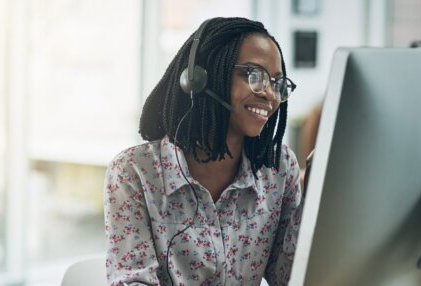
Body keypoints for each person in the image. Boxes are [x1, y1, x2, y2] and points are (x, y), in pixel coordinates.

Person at [103, 17, 304, 286]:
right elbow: (132, 281)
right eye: (254, 75)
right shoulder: (134, 172)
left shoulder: (278, 168)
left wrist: (314, 208)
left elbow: (290, 278)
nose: (269, 94)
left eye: (278, 84)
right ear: (199, 77)